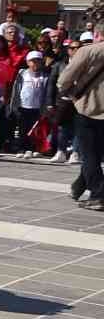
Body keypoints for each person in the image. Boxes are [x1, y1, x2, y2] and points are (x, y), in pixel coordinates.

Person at [57, 30, 104, 210]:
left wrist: (71, 93)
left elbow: (64, 79)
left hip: (88, 109)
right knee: (96, 153)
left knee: (89, 154)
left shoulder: (88, 51)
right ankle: (78, 187)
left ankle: (99, 195)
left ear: (98, 32)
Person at [13, 50, 52, 159]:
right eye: (32, 61)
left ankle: (32, 148)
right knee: (22, 128)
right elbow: (16, 90)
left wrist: (45, 107)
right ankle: (21, 148)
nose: (35, 63)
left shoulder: (45, 76)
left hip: (37, 107)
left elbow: (46, 92)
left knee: (35, 130)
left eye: (38, 61)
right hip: (23, 106)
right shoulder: (22, 73)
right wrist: (15, 104)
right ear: (27, 62)